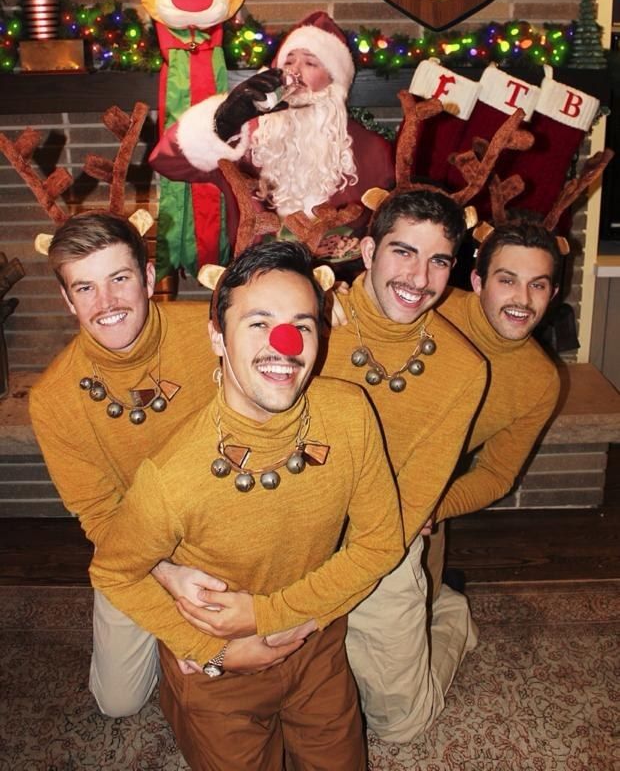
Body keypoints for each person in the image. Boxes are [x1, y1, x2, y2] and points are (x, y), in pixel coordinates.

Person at [89, 241, 404, 770]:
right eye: (259, 323)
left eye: (302, 325)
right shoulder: (172, 476)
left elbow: (380, 542)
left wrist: (269, 615)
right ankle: (177, 694)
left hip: (316, 642)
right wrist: (206, 648)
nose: (285, 344)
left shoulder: (350, 414)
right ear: (217, 335)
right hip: (220, 678)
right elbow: (113, 572)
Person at [28, 211, 237, 718]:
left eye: (119, 279)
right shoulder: (52, 398)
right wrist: (166, 574)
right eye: (85, 288)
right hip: (137, 550)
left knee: (239, 670)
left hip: (229, 525)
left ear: (147, 277)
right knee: (118, 702)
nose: (106, 304)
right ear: (67, 298)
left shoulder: (212, 334)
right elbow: (100, 516)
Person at [314, 188, 488, 743]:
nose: (419, 277)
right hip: (296, 524)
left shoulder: (464, 367)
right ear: (368, 252)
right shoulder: (313, 319)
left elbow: (416, 495)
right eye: (403, 252)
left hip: (384, 535)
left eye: (439, 260)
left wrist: (340, 585)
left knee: (399, 725)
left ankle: (450, 614)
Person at [148, 11, 394, 261]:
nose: (295, 72)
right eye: (288, 62)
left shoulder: (372, 150)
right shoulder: (246, 136)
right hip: (256, 278)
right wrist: (223, 121)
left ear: (334, 79)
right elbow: (167, 162)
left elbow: (388, 227)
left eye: (310, 63)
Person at [426, 218, 562, 593]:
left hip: (422, 497)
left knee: (414, 631)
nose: (522, 299)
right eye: (507, 280)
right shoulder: (429, 308)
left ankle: (447, 602)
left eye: (538, 285)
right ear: (477, 282)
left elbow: (497, 474)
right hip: (350, 472)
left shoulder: (541, 380)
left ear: (552, 295)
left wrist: (433, 509)